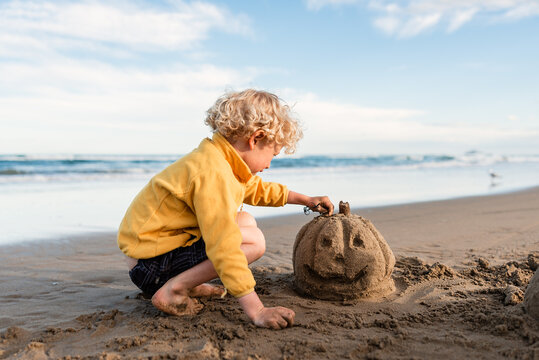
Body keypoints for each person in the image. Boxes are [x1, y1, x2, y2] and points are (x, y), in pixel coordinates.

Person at [118, 89, 334, 330]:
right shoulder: (213, 173)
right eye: (272, 154)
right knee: (253, 241)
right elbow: (223, 246)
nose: (269, 164)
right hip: (151, 268)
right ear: (255, 139)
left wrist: (305, 199)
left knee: (245, 221)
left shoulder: (220, 158)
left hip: (154, 255)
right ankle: (173, 290)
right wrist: (257, 310)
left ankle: (184, 281)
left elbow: (256, 189)